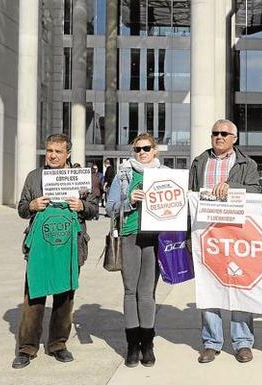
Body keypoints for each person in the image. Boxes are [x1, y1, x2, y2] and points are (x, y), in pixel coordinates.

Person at [12, 133, 99, 369]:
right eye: (49, 150)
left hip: (71, 246)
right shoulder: (34, 177)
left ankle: (58, 345)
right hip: (40, 247)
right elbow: (21, 208)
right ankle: (26, 348)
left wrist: (82, 206)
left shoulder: (81, 178)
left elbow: (94, 209)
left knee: (65, 298)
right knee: (34, 297)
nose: (52, 155)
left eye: (58, 152)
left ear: (68, 154)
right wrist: (31, 206)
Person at [189, 119, 261, 364]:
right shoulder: (199, 162)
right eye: (215, 133)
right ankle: (211, 342)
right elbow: (190, 196)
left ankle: (242, 342)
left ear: (235, 138)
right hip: (206, 234)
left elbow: (255, 191)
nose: (218, 137)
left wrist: (232, 187)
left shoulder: (247, 163)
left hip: (237, 234)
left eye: (224, 133)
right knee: (210, 288)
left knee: (240, 286)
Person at [106, 133, 166, 368]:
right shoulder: (123, 174)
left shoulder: (164, 174)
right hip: (130, 234)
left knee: (147, 292)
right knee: (131, 291)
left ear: (155, 150)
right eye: (137, 149)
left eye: (146, 148)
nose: (142, 152)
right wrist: (129, 200)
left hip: (155, 238)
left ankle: (147, 343)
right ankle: (132, 344)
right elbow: (110, 207)